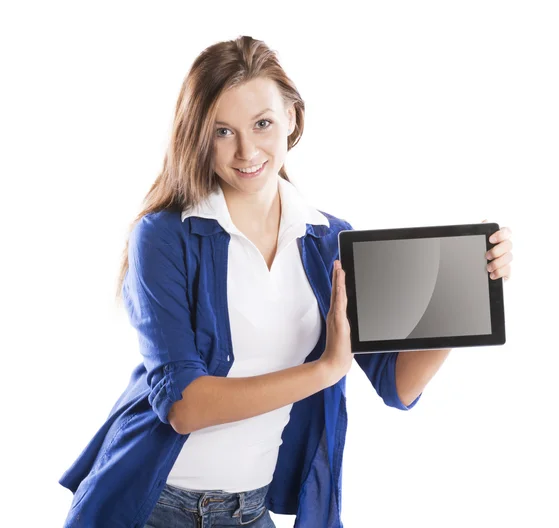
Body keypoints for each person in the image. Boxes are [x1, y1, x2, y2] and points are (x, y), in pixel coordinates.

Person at [58, 35, 513, 528]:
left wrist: (465, 290)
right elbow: (183, 406)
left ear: (292, 117)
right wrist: (324, 370)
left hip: (248, 511)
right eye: (222, 131)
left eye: (262, 124)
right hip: (149, 507)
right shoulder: (164, 237)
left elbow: (398, 385)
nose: (247, 150)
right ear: (197, 136)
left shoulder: (330, 242)